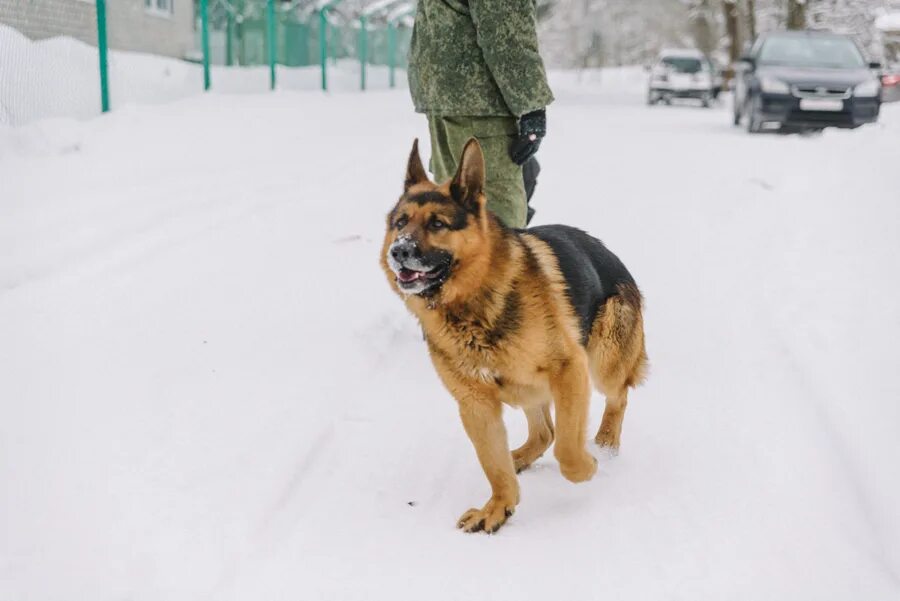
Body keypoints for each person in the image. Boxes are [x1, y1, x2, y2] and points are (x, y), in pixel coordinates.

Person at [407, 0, 553, 229]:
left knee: (456, 218)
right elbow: (505, 30)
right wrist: (531, 104)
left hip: (448, 95)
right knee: (497, 222)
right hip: (481, 104)